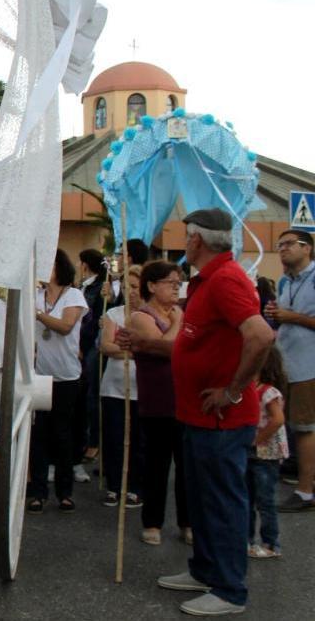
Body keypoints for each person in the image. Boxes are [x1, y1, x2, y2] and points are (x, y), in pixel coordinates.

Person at [151, 209, 275, 617]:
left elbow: (260, 335)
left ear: (196, 241)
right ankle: (206, 570)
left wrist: (233, 391)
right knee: (205, 500)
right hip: (199, 415)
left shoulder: (224, 279)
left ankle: (229, 589)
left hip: (220, 419)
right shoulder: (209, 279)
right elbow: (195, 343)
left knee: (222, 502)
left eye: (187, 236)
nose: (185, 242)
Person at [127, 261, 189, 546]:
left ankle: (188, 522)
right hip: (157, 400)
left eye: (179, 282)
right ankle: (152, 522)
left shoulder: (181, 312)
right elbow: (169, 348)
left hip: (184, 399)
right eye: (169, 282)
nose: (176, 286)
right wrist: (177, 323)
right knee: (157, 464)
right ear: (152, 286)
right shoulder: (142, 316)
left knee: (188, 465)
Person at [26, 249, 88, 513]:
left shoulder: (73, 295)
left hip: (66, 376)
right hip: (41, 374)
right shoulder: (37, 296)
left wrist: (39, 315)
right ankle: (38, 491)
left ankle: (65, 491)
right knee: (39, 434)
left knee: (62, 434)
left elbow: (65, 326)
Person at [263, 229, 315, 513]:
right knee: (295, 426)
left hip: (309, 364)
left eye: (287, 244)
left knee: (305, 428)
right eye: (279, 245)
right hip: (289, 363)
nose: (281, 249)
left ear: (306, 248)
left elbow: (299, 319)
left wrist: (291, 317)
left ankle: (306, 492)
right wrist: (276, 315)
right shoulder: (285, 282)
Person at [98, 264, 143, 508]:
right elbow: (106, 346)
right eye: (127, 286)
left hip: (142, 388)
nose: (131, 291)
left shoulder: (149, 315)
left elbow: (151, 347)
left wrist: (125, 348)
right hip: (113, 386)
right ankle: (114, 485)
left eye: (135, 286)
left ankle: (135, 486)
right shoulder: (113, 314)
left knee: (138, 440)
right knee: (114, 438)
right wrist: (137, 349)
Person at [246, 348, 288, 559]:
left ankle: (271, 543)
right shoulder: (251, 388)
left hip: (265, 454)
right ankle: (246, 540)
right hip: (251, 453)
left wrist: (258, 438)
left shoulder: (269, 392)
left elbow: (278, 419)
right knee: (247, 499)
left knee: (265, 500)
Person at [78, 249, 108, 473]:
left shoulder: (99, 288)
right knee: (84, 394)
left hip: (91, 345)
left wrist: (82, 345)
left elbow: (91, 319)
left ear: (85, 264)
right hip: (81, 343)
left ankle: (94, 442)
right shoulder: (85, 286)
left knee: (91, 394)